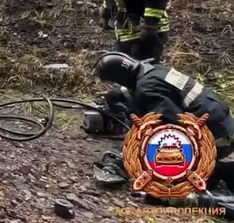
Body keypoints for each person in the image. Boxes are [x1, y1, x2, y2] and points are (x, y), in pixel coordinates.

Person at [96, 52, 234, 188]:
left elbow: (171, 123)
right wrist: (113, 95)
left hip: (218, 140)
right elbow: (133, 87)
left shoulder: (146, 88)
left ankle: (222, 172)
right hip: (225, 127)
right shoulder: (154, 70)